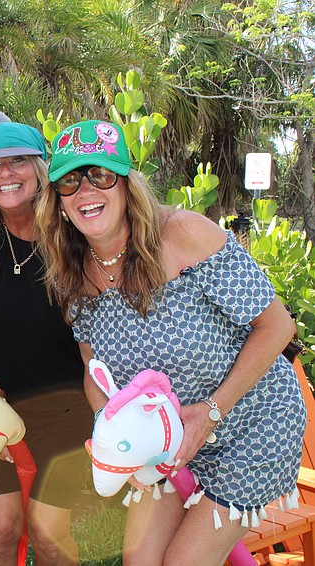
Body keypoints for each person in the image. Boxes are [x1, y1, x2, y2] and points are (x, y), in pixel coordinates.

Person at [35, 119, 306, 565]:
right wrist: (115, 435)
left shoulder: (183, 234)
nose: (86, 190)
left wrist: (210, 414)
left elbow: (277, 327)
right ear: (59, 202)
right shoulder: (73, 275)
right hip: (161, 436)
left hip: (250, 422)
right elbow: (93, 370)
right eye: (70, 181)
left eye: (100, 175)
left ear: (125, 183)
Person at [0, 113, 91, 566]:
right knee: (1, 526)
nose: (5, 174)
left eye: (18, 161)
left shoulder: (70, 228)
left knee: (48, 536)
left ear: (40, 168)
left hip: (66, 405)